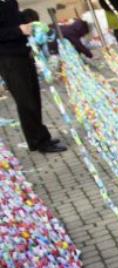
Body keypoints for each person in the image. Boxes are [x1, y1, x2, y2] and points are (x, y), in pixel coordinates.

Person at [0, 0, 67, 153]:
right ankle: (41, 141)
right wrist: (18, 30)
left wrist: (30, 23)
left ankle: (37, 138)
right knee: (26, 100)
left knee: (33, 97)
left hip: (24, 52)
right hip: (8, 58)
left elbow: (13, 17)